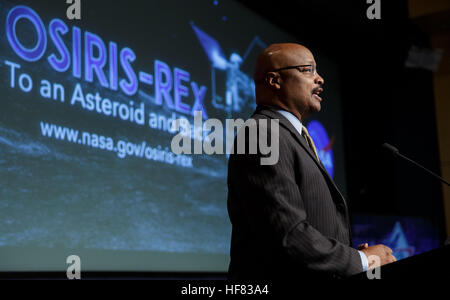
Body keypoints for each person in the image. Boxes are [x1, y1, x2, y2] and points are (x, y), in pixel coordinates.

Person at [226, 43, 396, 280]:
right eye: (307, 70)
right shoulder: (261, 133)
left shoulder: (290, 137)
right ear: (274, 80)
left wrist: (345, 258)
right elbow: (288, 234)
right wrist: (362, 261)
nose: (320, 79)